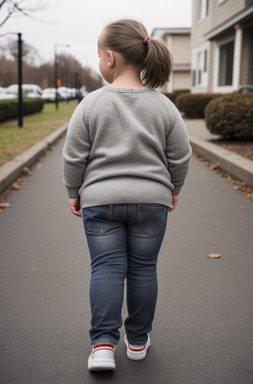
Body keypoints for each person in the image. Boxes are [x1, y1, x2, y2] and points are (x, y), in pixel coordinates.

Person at [62, 19, 192, 371]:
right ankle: (137, 341)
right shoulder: (163, 106)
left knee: (105, 268)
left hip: (99, 202)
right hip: (152, 202)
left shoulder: (90, 104)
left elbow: (74, 155)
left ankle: (103, 346)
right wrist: (173, 190)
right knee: (143, 270)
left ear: (109, 58)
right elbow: (180, 155)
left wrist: (74, 191)